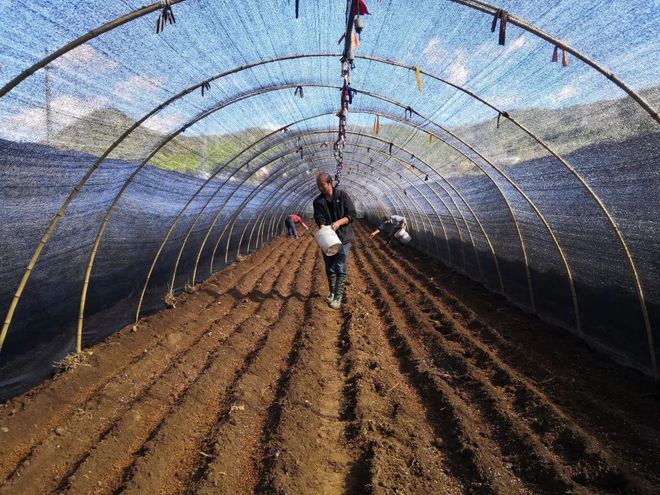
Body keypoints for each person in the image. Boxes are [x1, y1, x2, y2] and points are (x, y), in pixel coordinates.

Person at [313, 172, 357, 309]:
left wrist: (338, 223)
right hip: (328, 239)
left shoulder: (342, 196)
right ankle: (332, 292)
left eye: (322, 185)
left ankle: (338, 297)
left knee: (340, 266)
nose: (320, 188)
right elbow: (319, 218)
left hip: (343, 237)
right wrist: (324, 228)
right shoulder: (318, 201)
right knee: (329, 266)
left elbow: (352, 214)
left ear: (330, 183)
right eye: (318, 186)